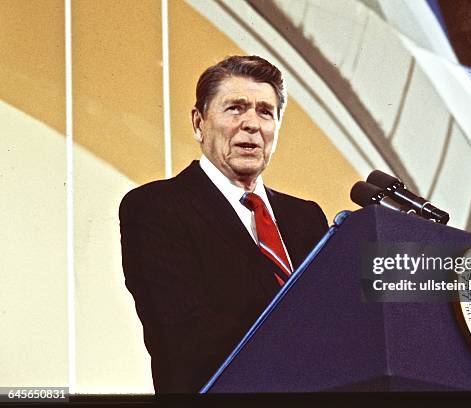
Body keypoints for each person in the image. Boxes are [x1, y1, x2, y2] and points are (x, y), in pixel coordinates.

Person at [119, 55, 329, 393]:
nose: (252, 124)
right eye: (235, 108)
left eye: (265, 112)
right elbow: (183, 338)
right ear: (199, 123)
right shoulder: (156, 207)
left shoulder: (306, 218)